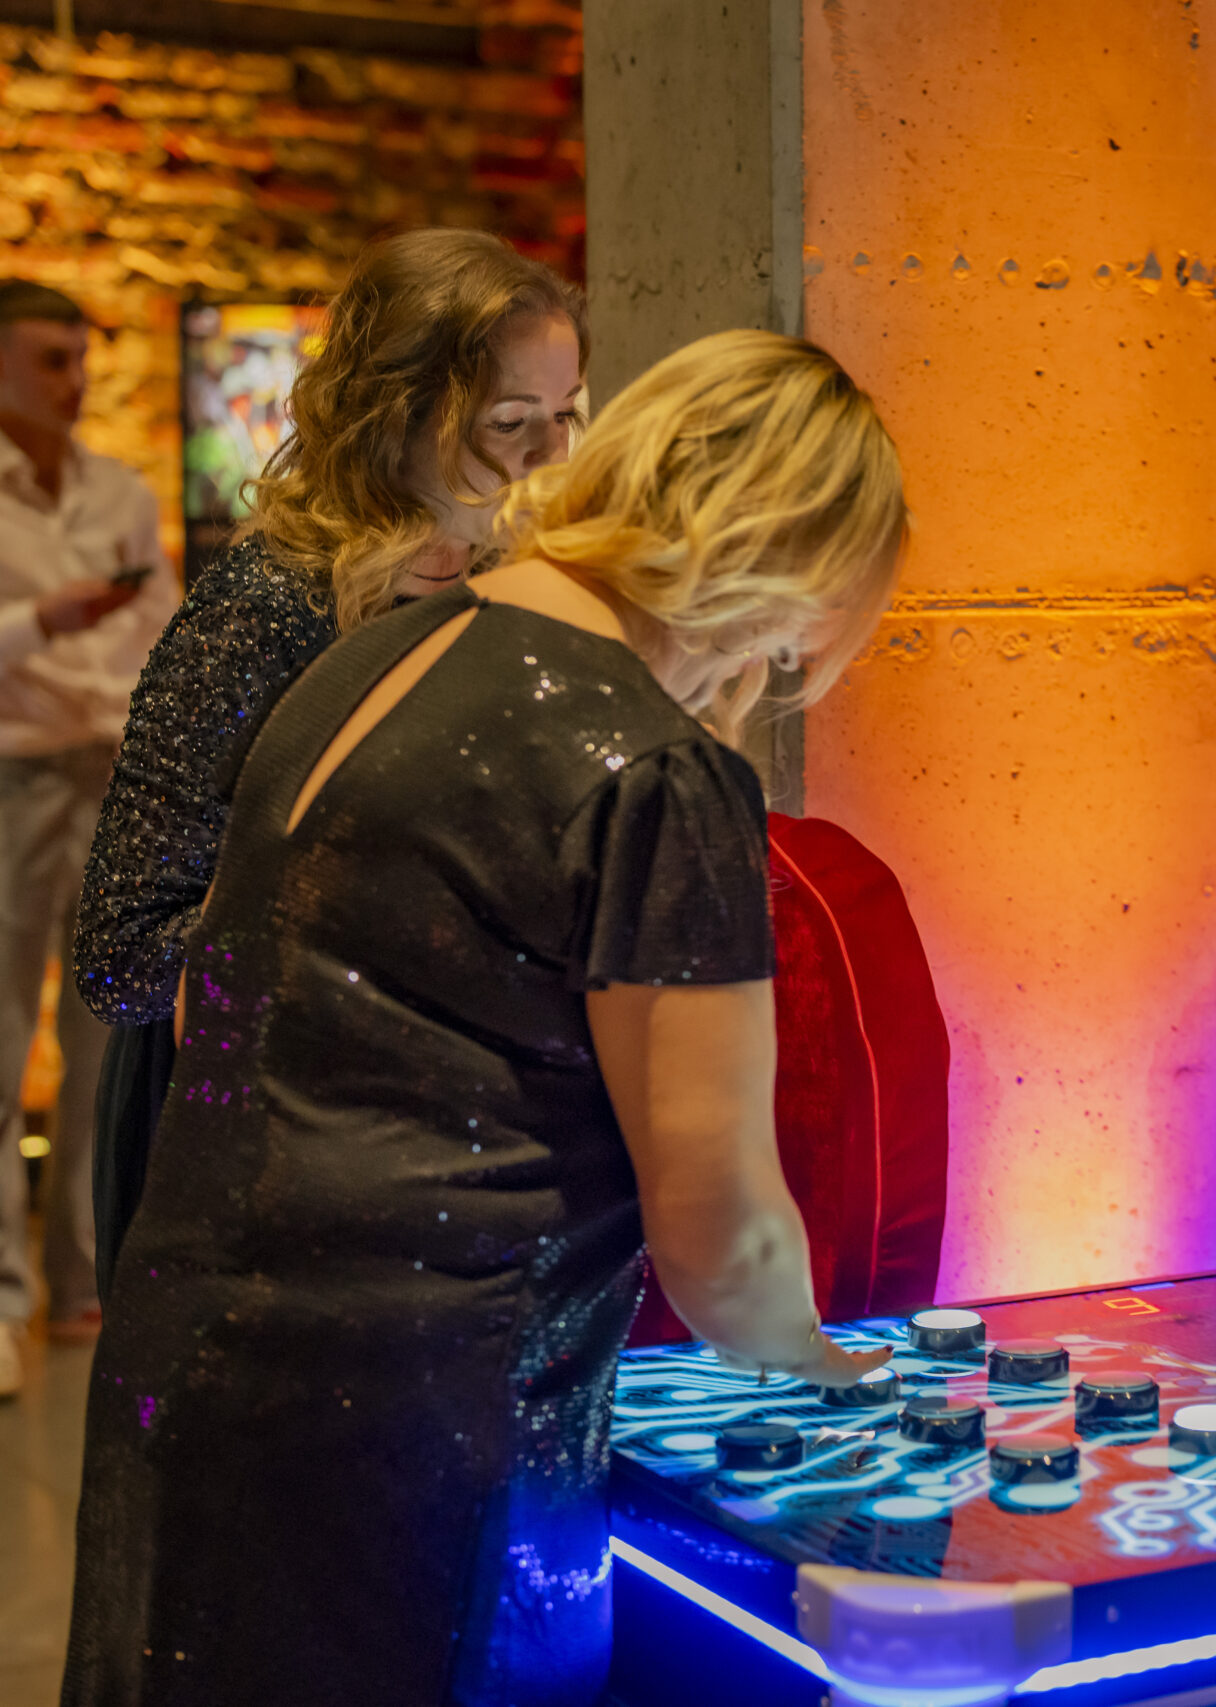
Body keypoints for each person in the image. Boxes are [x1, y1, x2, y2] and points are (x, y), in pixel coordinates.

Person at [60, 329, 904, 1707]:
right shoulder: (651, 767)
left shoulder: (381, 647)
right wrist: (833, 1367)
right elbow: (723, 1235)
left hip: (188, 1351)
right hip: (426, 1420)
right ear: (779, 571)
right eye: (795, 636)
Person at [72, 229, 586, 1296]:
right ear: (396, 413)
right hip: (260, 1153)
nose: (551, 455)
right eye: (510, 422)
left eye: (567, 413)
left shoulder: (536, 589)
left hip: (466, 1132)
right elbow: (119, 958)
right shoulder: (262, 608)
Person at [0, 282, 177, 1398]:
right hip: (12, 773)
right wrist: (41, 621)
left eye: (79, 357)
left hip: (114, 774)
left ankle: (80, 1283)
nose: (74, 380)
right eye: (49, 359)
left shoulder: (120, 489)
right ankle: (2, 1300)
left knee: (107, 1039)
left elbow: (163, 634)